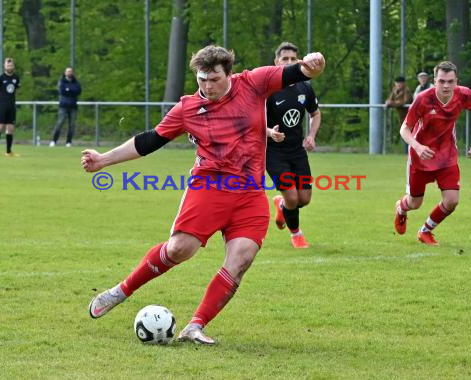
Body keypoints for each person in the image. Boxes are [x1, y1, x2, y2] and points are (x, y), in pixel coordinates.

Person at [81, 45, 325, 344]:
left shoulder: (254, 82)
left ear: (229, 74)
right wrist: (103, 160)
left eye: (214, 79)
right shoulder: (187, 108)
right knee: (178, 250)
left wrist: (312, 65)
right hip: (208, 188)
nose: (207, 86)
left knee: (241, 259)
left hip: (249, 193)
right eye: (202, 80)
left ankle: (195, 326)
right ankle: (121, 291)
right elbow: (150, 140)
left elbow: (295, 71)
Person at [393, 61, 471, 245]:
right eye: (442, 81)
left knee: (452, 200)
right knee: (415, 203)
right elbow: (404, 129)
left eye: (450, 81)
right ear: (435, 81)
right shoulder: (423, 99)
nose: (446, 86)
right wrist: (418, 147)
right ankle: (401, 208)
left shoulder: (464, 95)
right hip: (421, 158)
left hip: (446, 157)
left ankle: (425, 231)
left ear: (456, 81)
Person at [265, 42, 321, 249]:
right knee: (292, 196)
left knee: (304, 198)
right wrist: (271, 133)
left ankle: (281, 205)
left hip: (297, 151)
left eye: (292, 59)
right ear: (276, 62)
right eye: (284, 59)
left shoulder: (304, 86)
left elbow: (315, 113)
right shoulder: (267, 90)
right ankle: (296, 234)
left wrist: (311, 135)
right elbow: (253, 122)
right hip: (273, 152)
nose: (288, 63)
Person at [0, 57, 20, 157]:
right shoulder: (0, 78)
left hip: (11, 105)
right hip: (2, 105)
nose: (9, 67)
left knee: (10, 128)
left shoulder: (16, 78)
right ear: (4, 66)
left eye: (11, 65)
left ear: (13, 66)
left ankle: (8, 151)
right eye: (8, 65)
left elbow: (15, 90)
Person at [49, 67, 82, 147]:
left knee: (72, 125)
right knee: (59, 123)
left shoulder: (76, 82)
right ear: (65, 72)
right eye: (68, 71)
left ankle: (68, 142)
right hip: (63, 106)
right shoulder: (62, 82)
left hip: (73, 106)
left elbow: (78, 91)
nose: (69, 73)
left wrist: (69, 90)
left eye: (70, 71)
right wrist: (70, 90)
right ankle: (54, 141)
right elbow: (63, 91)